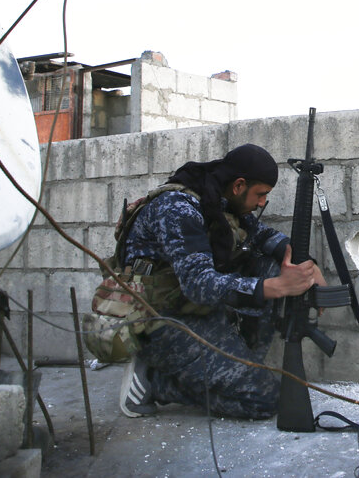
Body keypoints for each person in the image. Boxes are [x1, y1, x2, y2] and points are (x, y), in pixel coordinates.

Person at [117, 143, 323, 419]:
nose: (262, 203)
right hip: (161, 321)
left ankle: (241, 371)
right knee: (265, 400)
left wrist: (305, 264)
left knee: (272, 265)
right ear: (239, 185)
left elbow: (261, 235)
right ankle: (155, 382)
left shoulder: (217, 198)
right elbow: (198, 284)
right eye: (260, 194)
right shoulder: (179, 209)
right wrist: (277, 287)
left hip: (194, 310)